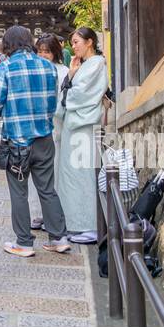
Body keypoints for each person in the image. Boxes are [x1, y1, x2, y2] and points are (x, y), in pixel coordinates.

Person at [0, 26, 71, 256]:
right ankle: (59, 238)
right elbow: (54, 104)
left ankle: (23, 242)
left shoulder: (5, 68)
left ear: (9, 44)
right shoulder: (48, 67)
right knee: (47, 189)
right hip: (44, 137)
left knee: (19, 191)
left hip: (17, 141)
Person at [56, 26, 108, 244]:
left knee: (83, 176)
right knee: (72, 176)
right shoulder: (85, 66)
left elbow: (81, 94)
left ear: (89, 42)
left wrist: (68, 88)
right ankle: (76, 222)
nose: (73, 46)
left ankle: (89, 224)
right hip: (75, 126)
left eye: (76, 41)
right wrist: (70, 75)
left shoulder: (96, 65)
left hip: (83, 127)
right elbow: (72, 89)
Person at [28, 35, 70, 231]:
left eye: (47, 51)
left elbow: (64, 100)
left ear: (55, 52)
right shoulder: (32, 70)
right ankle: (37, 213)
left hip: (55, 126)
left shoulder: (64, 72)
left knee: (52, 173)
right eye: (40, 51)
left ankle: (52, 215)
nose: (43, 55)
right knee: (35, 173)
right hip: (35, 127)